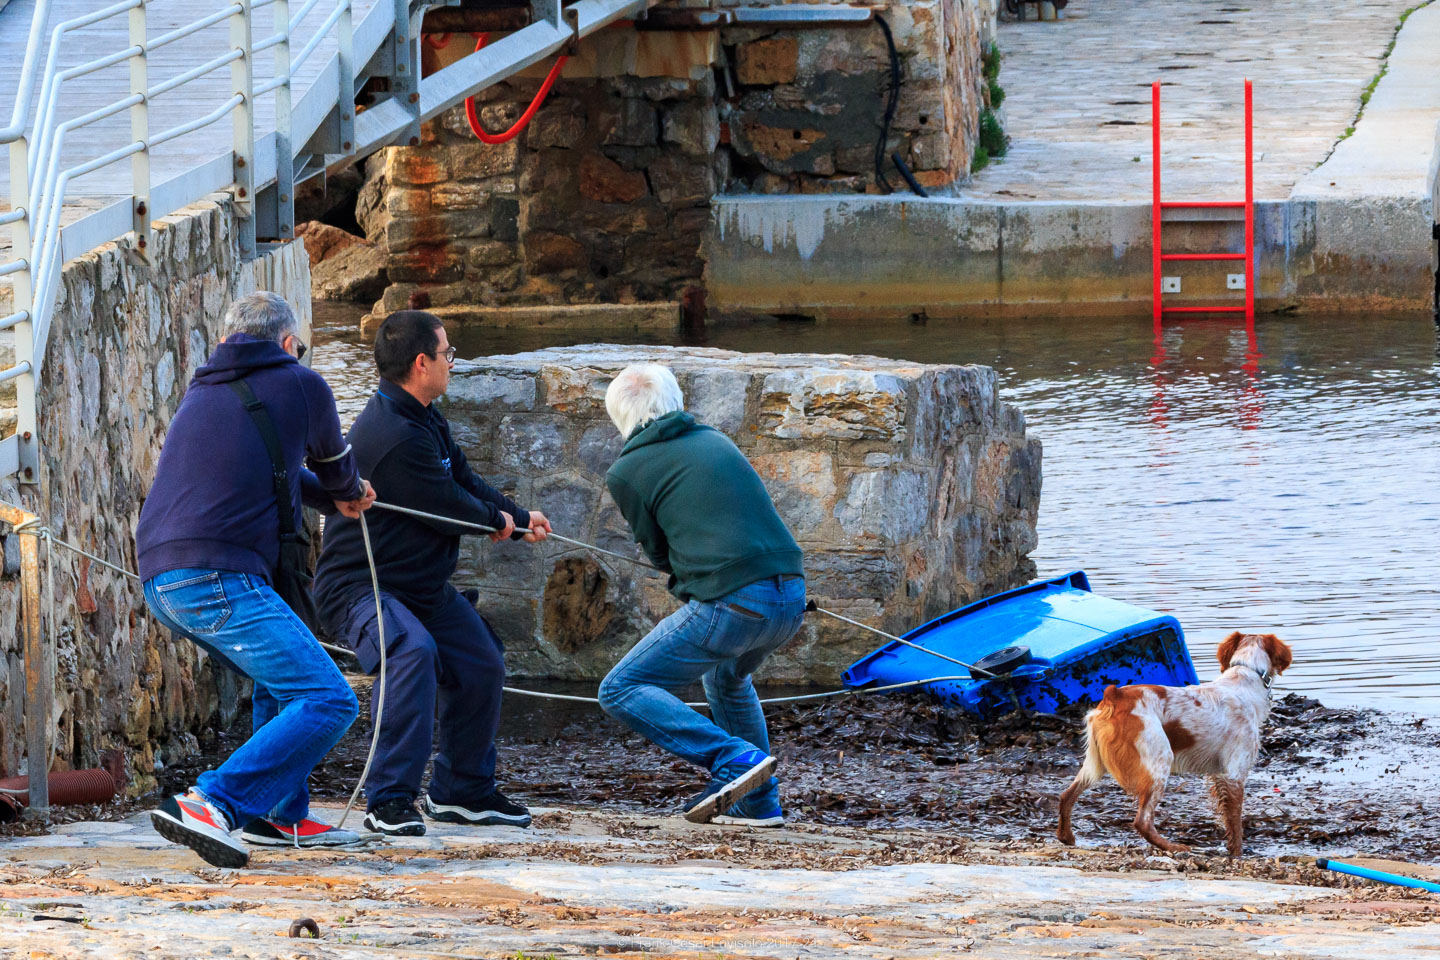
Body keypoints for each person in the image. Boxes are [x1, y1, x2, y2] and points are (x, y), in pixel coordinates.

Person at [136, 292, 375, 868]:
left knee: (281, 679)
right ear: (290, 344)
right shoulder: (302, 383)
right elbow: (337, 469)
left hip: (162, 579)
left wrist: (329, 495)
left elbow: (279, 470)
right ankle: (212, 801)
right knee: (327, 697)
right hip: (218, 576)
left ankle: (279, 814)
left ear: (227, 340)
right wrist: (350, 493)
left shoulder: (206, 387)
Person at [314, 310, 552, 837]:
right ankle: (389, 799)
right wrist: (501, 524)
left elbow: (463, 479)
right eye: (448, 355)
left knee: (482, 660)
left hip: (419, 586)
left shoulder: (423, 417)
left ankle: (461, 792)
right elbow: (447, 503)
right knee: (412, 652)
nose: (451, 363)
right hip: (361, 588)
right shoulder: (394, 435)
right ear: (421, 363)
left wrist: (515, 515)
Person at [597, 364, 806, 827]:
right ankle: (758, 804)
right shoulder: (717, 440)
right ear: (674, 400)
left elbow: (658, 553)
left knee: (619, 688)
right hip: (791, 597)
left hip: (733, 605)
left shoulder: (626, 471)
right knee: (727, 681)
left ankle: (733, 759)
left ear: (619, 414)